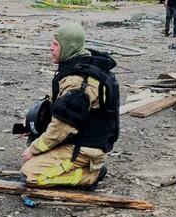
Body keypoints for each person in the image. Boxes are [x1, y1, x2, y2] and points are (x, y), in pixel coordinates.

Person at [20, 22, 120, 190]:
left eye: (56, 44)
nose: (50, 48)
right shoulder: (76, 67)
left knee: (31, 175)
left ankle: (90, 176)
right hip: (77, 138)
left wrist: (34, 149)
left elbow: (62, 126)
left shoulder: (79, 82)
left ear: (69, 47)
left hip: (85, 148)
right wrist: (31, 121)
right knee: (33, 150)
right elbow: (56, 102)